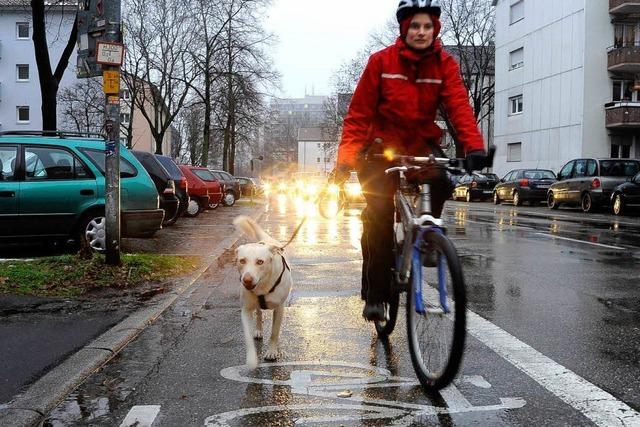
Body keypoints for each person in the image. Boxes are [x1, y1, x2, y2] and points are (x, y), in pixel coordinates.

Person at [331, 0, 490, 321]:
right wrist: (346, 160)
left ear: (435, 29)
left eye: (427, 26)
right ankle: (375, 294)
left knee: (444, 179)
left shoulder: (445, 65)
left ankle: (426, 237)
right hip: (379, 149)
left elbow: (459, 106)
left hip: (420, 144)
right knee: (377, 214)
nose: (421, 32)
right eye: (415, 26)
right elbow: (358, 115)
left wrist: (474, 147)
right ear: (405, 29)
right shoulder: (381, 62)